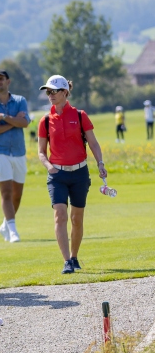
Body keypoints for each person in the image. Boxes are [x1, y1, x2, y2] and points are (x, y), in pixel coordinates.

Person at [37, 75, 107, 274]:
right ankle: (66, 261)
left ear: (65, 92)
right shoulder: (45, 120)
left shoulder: (79, 115)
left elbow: (93, 143)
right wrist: (49, 166)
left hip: (80, 174)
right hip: (57, 175)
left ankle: (75, 256)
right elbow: (41, 151)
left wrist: (100, 162)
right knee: (60, 215)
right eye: (48, 92)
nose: (50, 95)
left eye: (53, 91)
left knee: (77, 218)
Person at [0, 70, 30, 243]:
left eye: (1, 79)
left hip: (18, 151)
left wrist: (3, 118)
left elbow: (25, 122)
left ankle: (5, 225)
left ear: (8, 81)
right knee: (7, 193)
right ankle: (13, 231)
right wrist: (13, 122)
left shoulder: (20, 100)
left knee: (17, 195)